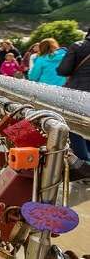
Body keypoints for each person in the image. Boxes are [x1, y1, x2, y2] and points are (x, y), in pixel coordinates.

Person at [57, 29, 90, 167]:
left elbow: (63, 70)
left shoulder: (78, 46)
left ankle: (84, 163)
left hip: (79, 93)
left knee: (75, 127)